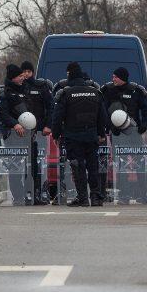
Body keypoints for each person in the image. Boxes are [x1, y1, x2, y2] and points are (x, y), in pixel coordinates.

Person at [51, 62, 107, 207]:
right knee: (93, 166)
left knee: (77, 166)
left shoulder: (65, 93)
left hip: (73, 136)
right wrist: (101, 133)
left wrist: (56, 135)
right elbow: (102, 116)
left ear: (69, 74)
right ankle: (96, 197)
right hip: (91, 136)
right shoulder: (95, 92)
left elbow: (57, 117)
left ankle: (83, 198)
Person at [101, 66, 147, 201]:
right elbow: (103, 112)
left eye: (115, 77)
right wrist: (111, 127)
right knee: (121, 163)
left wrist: (144, 125)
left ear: (122, 78)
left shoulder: (135, 91)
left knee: (139, 162)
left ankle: (142, 194)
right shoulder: (109, 91)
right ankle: (124, 194)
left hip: (134, 132)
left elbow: (146, 109)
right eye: (113, 77)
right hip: (118, 135)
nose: (113, 79)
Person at [0, 64, 34, 203]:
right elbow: (1, 113)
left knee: (29, 166)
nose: (22, 77)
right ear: (13, 78)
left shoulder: (25, 89)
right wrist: (15, 124)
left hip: (27, 134)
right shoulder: (4, 91)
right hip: (12, 134)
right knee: (15, 166)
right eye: (19, 76)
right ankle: (18, 196)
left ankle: (29, 194)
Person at [21, 60, 54, 204]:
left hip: (40, 131)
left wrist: (48, 125)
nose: (26, 74)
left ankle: (40, 192)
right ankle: (26, 193)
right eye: (24, 72)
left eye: (28, 71)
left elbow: (50, 107)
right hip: (23, 132)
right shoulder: (19, 87)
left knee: (40, 164)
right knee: (25, 164)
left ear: (32, 72)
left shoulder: (41, 87)